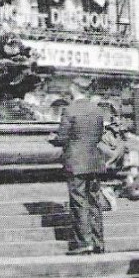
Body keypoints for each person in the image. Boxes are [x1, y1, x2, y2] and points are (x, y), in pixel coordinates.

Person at [51, 78, 108, 255]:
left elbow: (62, 138)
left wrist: (54, 139)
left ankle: (84, 243)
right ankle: (98, 242)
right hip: (94, 161)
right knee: (94, 201)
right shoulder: (97, 110)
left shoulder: (69, 110)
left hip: (75, 162)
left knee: (78, 202)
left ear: (74, 88)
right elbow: (99, 136)